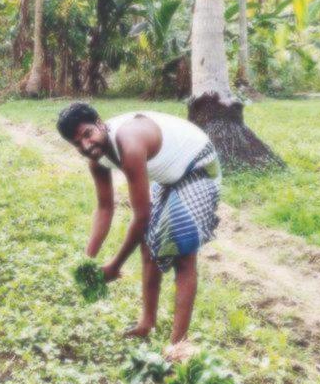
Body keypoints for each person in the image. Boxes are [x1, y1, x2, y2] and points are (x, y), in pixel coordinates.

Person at [57, 102, 221, 358]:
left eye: (88, 134)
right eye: (78, 144)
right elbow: (104, 208)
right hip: (169, 175)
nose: (86, 146)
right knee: (149, 243)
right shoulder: (96, 158)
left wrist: (115, 265)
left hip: (198, 166)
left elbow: (141, 216)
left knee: (183, 255)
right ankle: (147, 323)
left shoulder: (129, 142)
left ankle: (177, 347)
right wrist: (86, 260)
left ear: (100, 123)